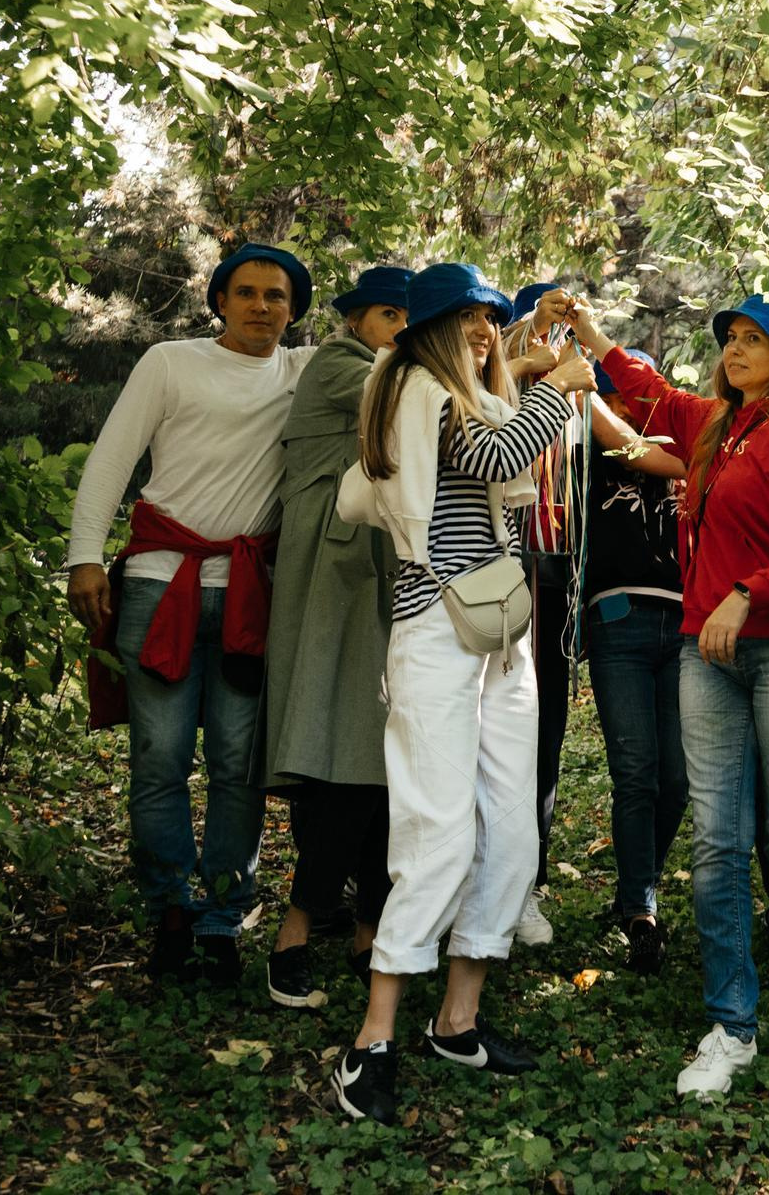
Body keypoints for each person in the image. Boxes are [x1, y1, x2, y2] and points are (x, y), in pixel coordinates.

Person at [331, 263, 598, 1126]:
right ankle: (370, 1042)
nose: (487, 332)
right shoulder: (412, 385)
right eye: (472, 321)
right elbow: (492, 449)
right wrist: (558, 390)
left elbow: (489, 415)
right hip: (438, 632)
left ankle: (459, 1021)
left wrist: (523, 364)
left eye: (492, 318)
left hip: (496, 629)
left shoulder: (449, 389)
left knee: (507, 818)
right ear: (433, 330)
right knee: (437, 827)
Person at [575, 288, 769, 1099]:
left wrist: (745, 593)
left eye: (753, 340)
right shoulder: (718, 429)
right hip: (709, 652)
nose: (734, 350)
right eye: (730, 336)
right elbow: (649, 394)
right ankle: (731, 1024)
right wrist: (593, 338)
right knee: (717, 842)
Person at [66, 244, 316, 985]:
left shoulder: (304, 373)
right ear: (220, 301)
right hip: (159, 584)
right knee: (161, 760)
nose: (262, 306)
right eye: (246, 292)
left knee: (240, 766)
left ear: (295, 310)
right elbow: (112, 459)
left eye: (277, 295)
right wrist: (85, 557)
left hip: (250, 594)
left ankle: (221, 917)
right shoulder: (170, 363)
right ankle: (169, 908)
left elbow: (401, 359)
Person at [257, 265, 411, 1011]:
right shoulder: (343, 366)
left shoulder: (395, 368)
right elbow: (415, 401)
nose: (402, 327)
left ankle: (366, 931)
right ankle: (295, 931)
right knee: (340, 762)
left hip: (381, 581)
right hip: (331, 583)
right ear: (355, 319)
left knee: (382, 765)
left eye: (414, 318)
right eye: (389, 313)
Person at [576, 349, 695, 974]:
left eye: (639, 393)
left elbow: (649, 447)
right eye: (617, 394)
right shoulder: (589, 454)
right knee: (636, 770)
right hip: (618, 620)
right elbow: (617, 444)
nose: (632, 406)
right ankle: (640, 908)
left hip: (685, 623)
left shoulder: (685, 453)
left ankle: (633, 888)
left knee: (677, 777)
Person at [501, 281, 581, 948]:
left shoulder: (587, 393)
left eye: (563, 327)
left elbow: (635, 451)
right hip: (487, 581)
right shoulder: (491, 385)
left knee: (542, 736)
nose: (553, 340)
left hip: (556, 584)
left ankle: (524, 883)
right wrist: (527, 337)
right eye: (538, 326)